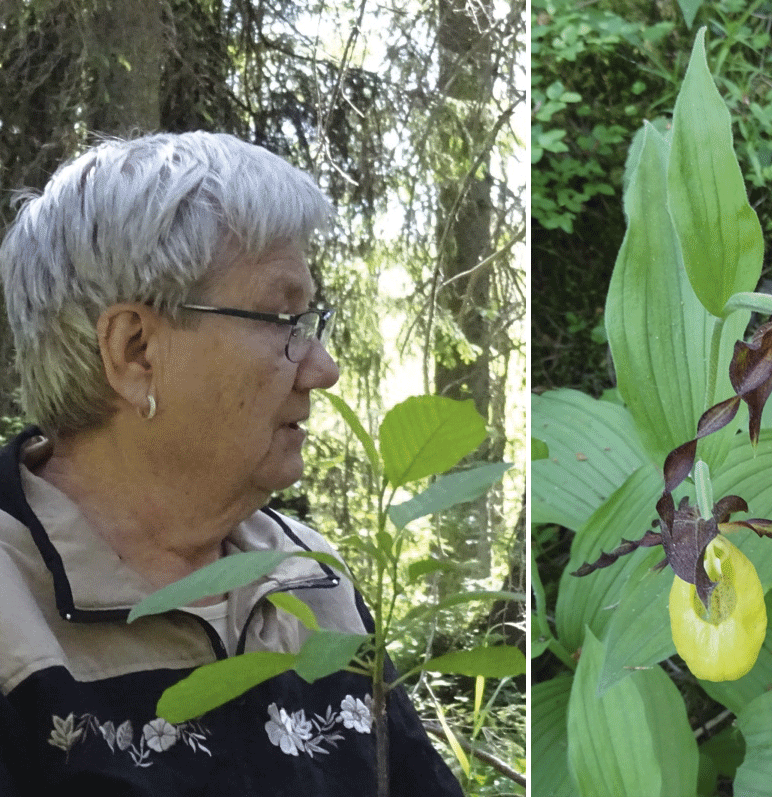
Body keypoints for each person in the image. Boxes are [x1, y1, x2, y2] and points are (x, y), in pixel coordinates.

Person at [0, 132, 463, 796]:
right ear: (134, 351)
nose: (323, 370)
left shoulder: (308, 575)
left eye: (311, 322)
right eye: (281, 320)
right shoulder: (13, 607)